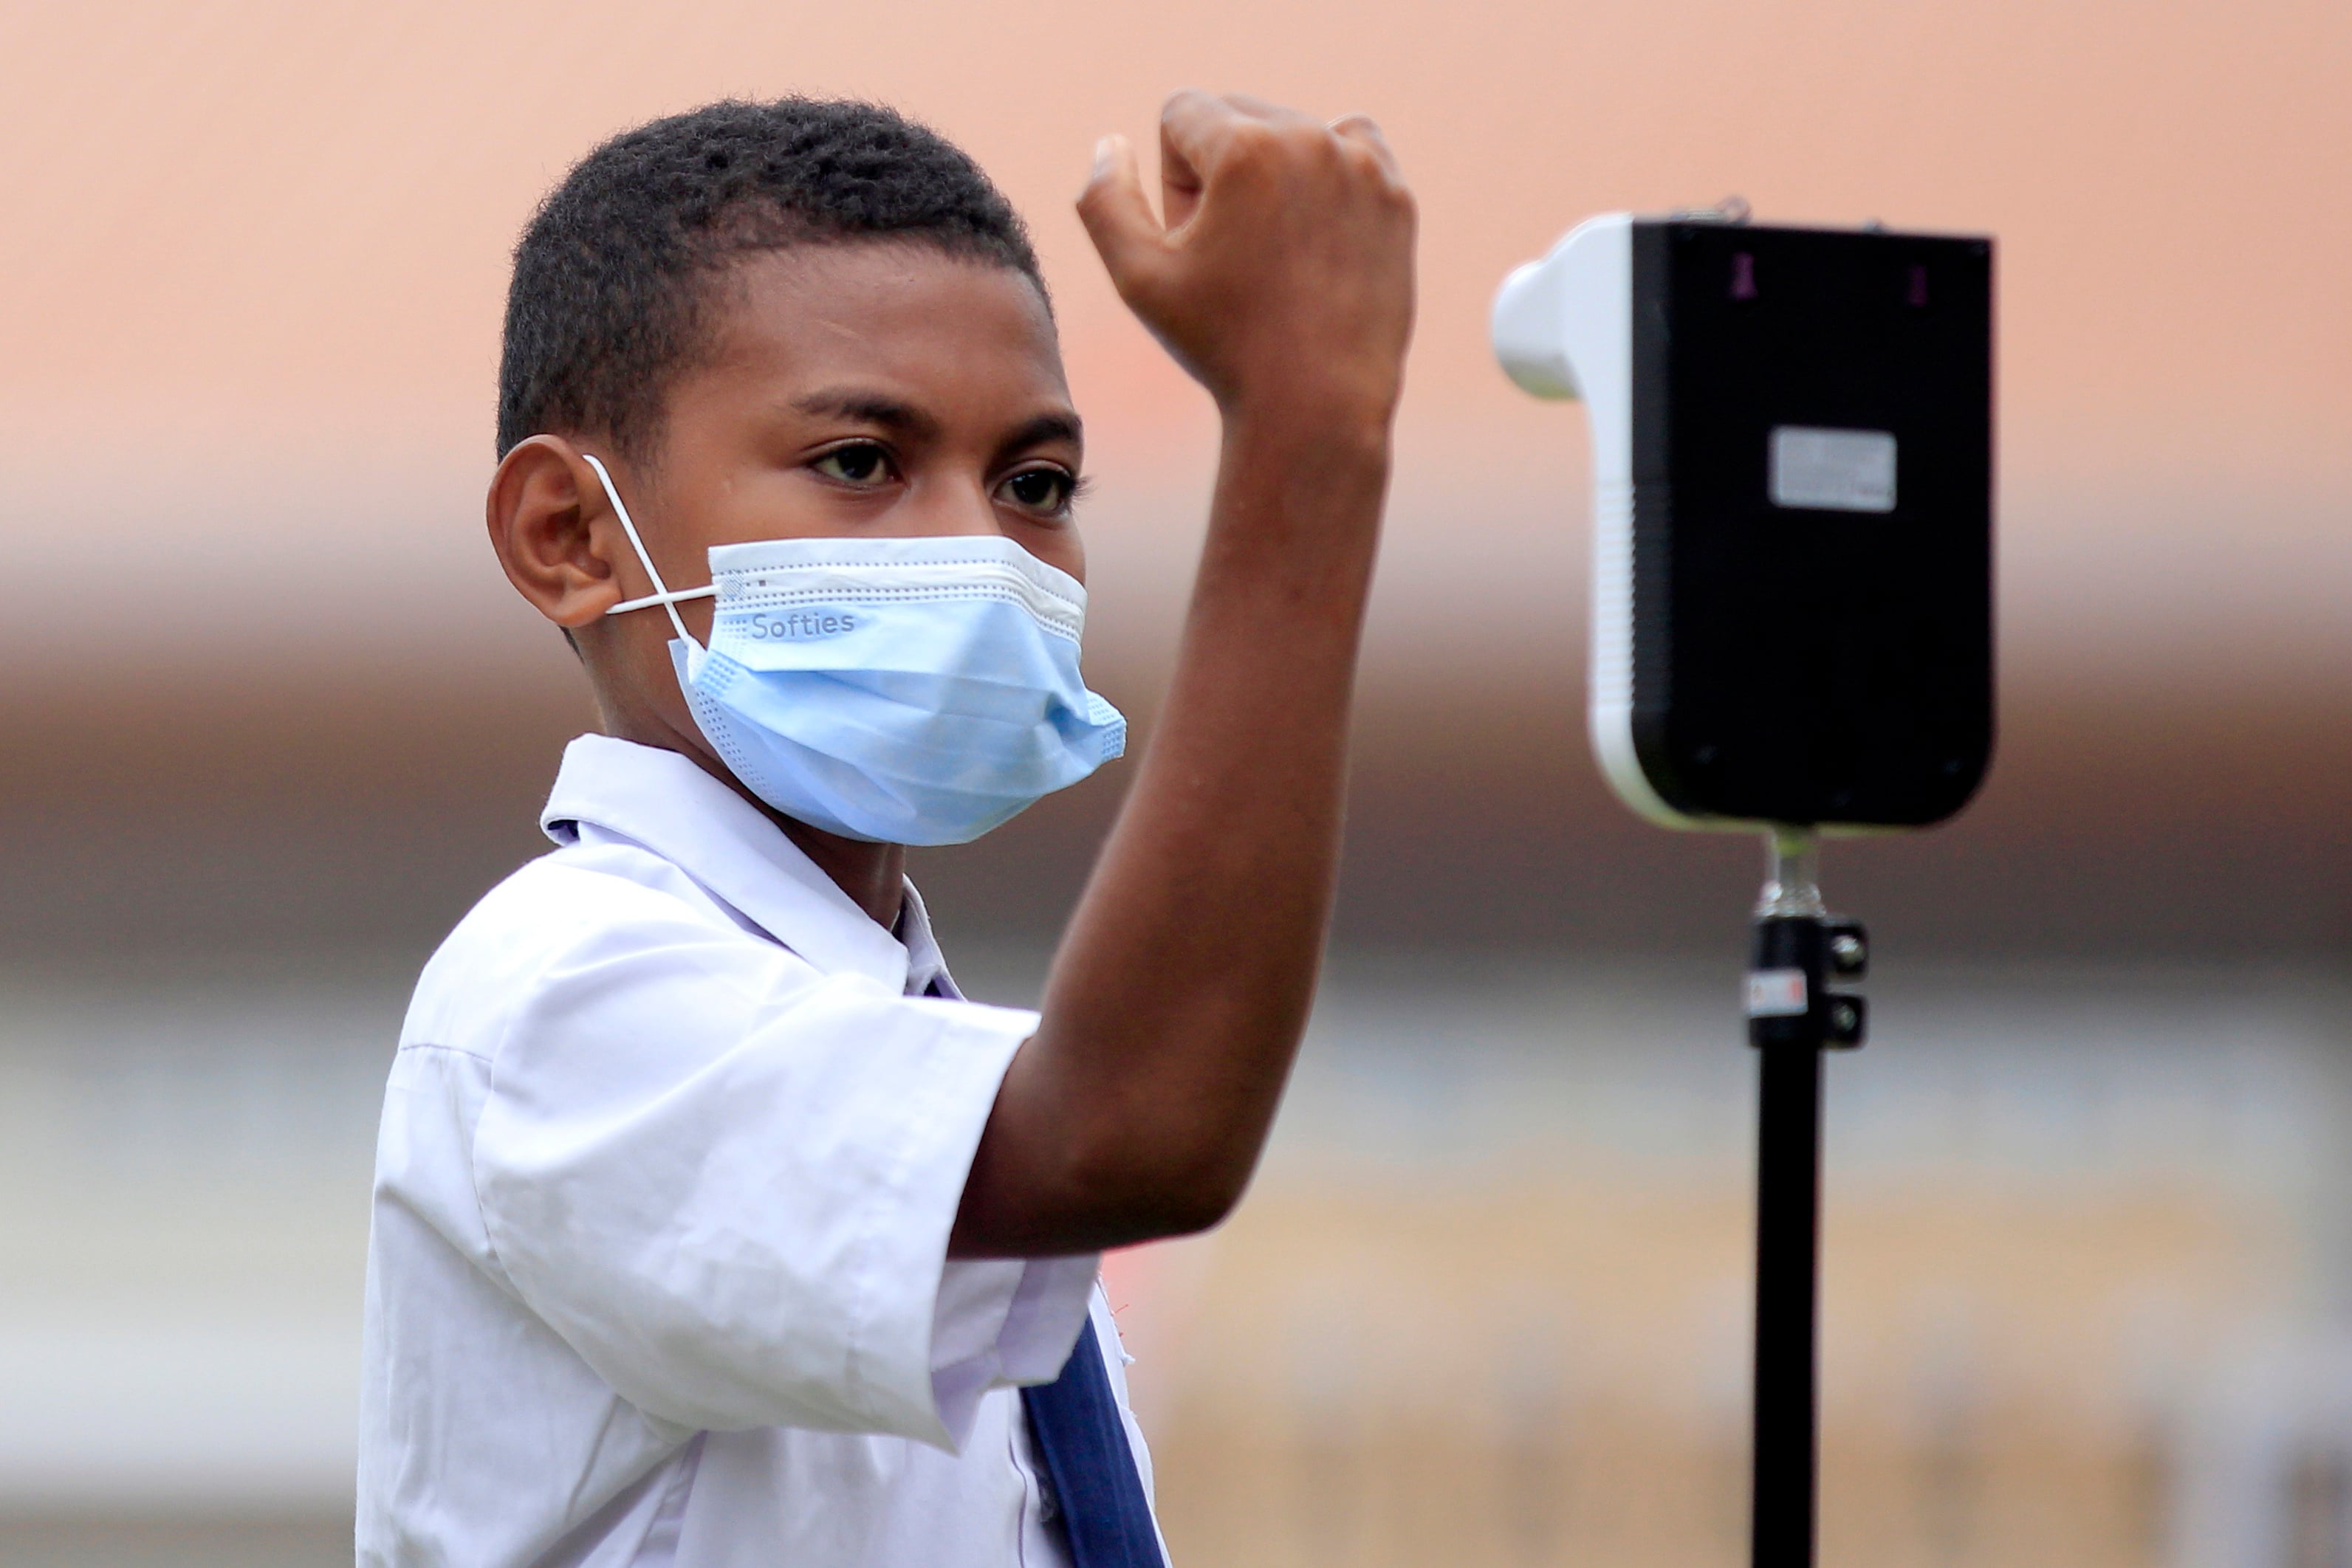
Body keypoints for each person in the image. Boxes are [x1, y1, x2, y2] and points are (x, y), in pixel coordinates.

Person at [357, 89, 1414, 1567]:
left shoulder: (894, 1048)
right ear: (571, 537)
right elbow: (1135, 1129)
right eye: (861, 462)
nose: (982, 553)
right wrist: (1310, 435)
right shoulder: (564, 1001)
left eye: (1036, 484)